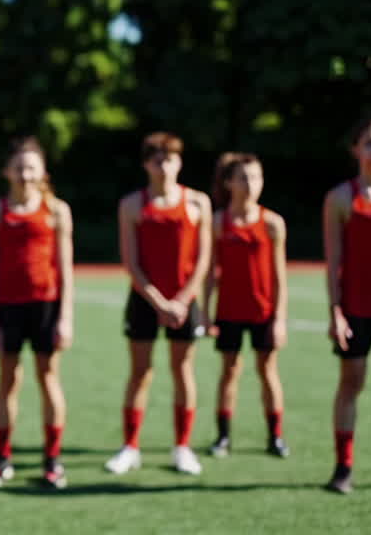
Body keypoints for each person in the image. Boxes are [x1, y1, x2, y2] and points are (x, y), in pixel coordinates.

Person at [106, 132, 212, 476]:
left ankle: (182, 446)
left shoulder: (197, 202)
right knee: (140, 372)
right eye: (157, 159)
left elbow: (203, 258)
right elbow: (132, 263)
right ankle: (130, 447)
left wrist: (181, 300)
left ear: (179, 163)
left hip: (185, 302)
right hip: (145, 301)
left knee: (183, 371)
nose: (164, 166)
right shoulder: (133, 204)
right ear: (146, 165)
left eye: (170, 158)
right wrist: (158, 301)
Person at [0, 137, 73, 489]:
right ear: (7, 171)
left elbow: (65, 269)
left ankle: (53, 458)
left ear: (43, 171)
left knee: (49, 379)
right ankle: (2, 456)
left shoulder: (57, 211)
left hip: (46, 305)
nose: (25, 174)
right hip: (7, 307)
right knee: (7, 381)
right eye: (19, 167)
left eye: (31, 167)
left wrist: (65, 318)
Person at [202, 153, 289, 459]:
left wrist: (279, 319)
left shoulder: (272, 223)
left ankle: (275, 436)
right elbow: (211, 272)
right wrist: (205, 309)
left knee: (267, 370)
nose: (251, 184)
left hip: (263, 311)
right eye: (243, 178)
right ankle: (223, 436)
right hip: (229, 311)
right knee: (229, 371)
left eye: (256, 177)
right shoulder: (217, 222)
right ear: (228, 183)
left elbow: (279, 275)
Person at [322, 117, 371, 494]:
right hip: (357, 306)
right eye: (370, 142)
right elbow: (334, 258)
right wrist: (336, 311)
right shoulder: (342, 197)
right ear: (356, 150)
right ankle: (343, 467)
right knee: (351, 382)